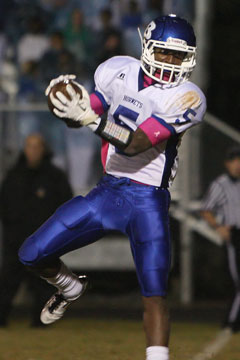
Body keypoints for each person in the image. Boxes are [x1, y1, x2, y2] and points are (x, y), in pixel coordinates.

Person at [18, 15, 206, 360]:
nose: (169, 62)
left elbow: (135, 144)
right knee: (31, 253)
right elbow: (83, 115)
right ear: (147, 47)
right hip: (108, 191)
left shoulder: (187, 97)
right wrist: (65, 105)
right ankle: (70, 287)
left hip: (148, 200)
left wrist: (91, 120)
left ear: (189, 58)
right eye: (163, 53)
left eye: (177, 57)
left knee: (154, 293)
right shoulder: (116, 70)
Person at [0, 133, 73, 327]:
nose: (32, 151)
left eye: (36, 146)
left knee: (43, 284)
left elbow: (66, 206)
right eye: (29, 146)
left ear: (43, 149)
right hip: (15, 241)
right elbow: (4, 204)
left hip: (44, 242)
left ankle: (41, 322)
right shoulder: (14, 175)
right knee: (7, 281)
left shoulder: (55, 177)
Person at [201, 146, 240, 333]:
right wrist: (219, 227)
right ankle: (230, 323)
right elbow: (206, 209)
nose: (237, 165)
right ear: (227, 164)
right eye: (234, 160)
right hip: (235, 235)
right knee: (237, 280)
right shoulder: (220, 184)